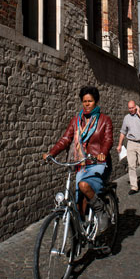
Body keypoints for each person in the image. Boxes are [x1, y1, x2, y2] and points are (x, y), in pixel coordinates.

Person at [43, 86, 113, 233]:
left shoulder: (104, 120)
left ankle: (100, 211)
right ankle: (81, 230)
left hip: (98, 163)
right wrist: (52, 153)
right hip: (81, 164)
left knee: (83, 185)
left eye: (90, 101)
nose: (87, 104)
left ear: (96, 102)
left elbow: (107, 140)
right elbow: (65, 139)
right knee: (77, 199)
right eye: (84, 101)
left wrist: (102, 153)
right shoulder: (76, 120)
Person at [117, 100, 140, 195]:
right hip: (131, 143)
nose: (131, 110)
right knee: (131, 165)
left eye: (132, 108)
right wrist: (119, 144)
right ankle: (134, 186)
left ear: (136, 106)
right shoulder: (127, 118)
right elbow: (123, 132)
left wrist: (139, 113)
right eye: (129, 108)